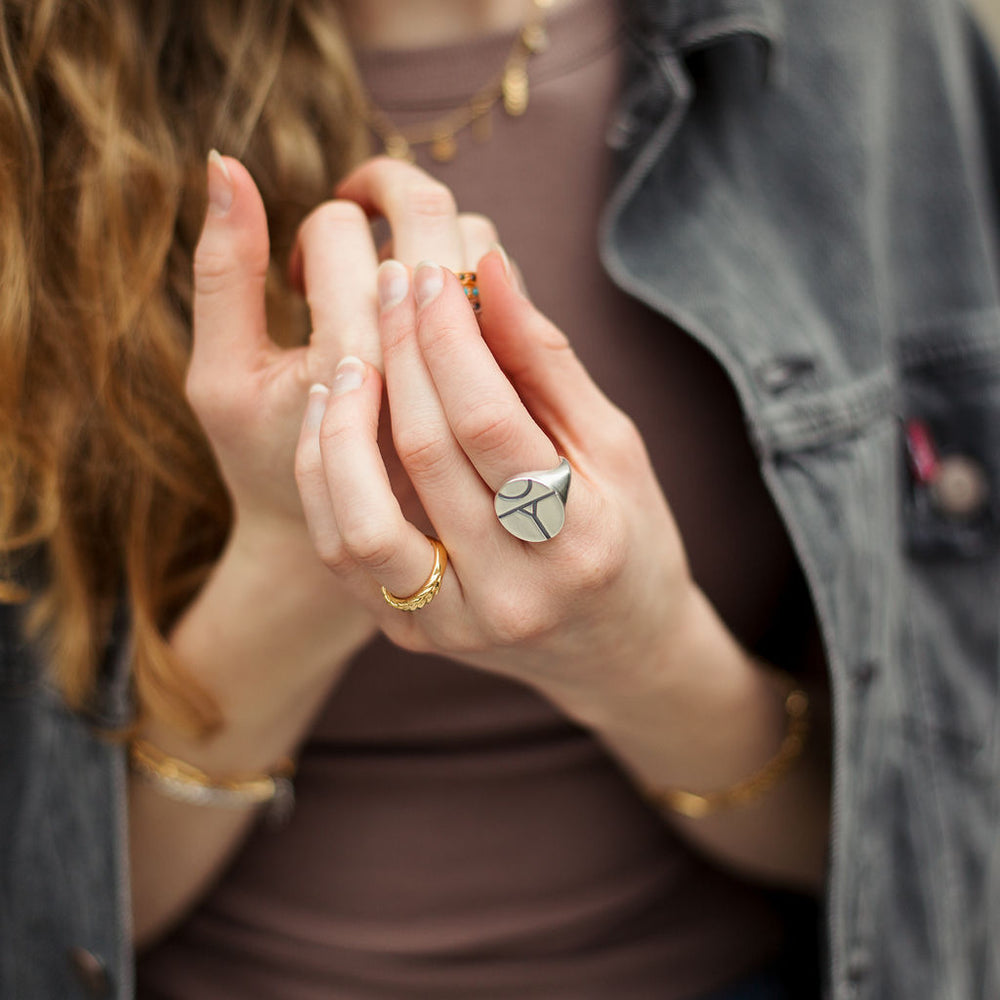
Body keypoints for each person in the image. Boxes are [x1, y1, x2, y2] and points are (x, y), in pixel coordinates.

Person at [0, 0, 997, 997]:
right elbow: (38, 929)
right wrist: (290, 570)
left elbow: (937, 857)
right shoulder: (36, 76)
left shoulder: (863, 40)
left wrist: (645, 658)